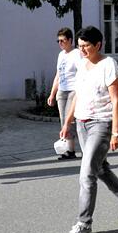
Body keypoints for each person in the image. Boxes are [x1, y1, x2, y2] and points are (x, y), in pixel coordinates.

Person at [59, 26, 118, 233]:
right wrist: (68, 122)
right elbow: (77, 94)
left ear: (98, 45)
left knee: (87, 174)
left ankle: (84, 223)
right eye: (80, 46)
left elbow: (115, 100)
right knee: (101, 169)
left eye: (86, 46)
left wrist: (115, 132)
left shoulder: (109, 65)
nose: (82, 50)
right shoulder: (83, 65)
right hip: (82, 124)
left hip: (101, 124)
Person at [47, 27, 81, 160]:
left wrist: (80, 90)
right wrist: (52, 94)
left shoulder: (77, 53)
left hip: (73, 89)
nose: (60, 43)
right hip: (62, 90)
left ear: (70, 40)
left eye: (63, 40)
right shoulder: (61, 55)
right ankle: (69, 150)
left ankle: (72, 149)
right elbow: (58, 75)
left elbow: (81, 72)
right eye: (58, 41)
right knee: (63, 120)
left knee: (70, 119)